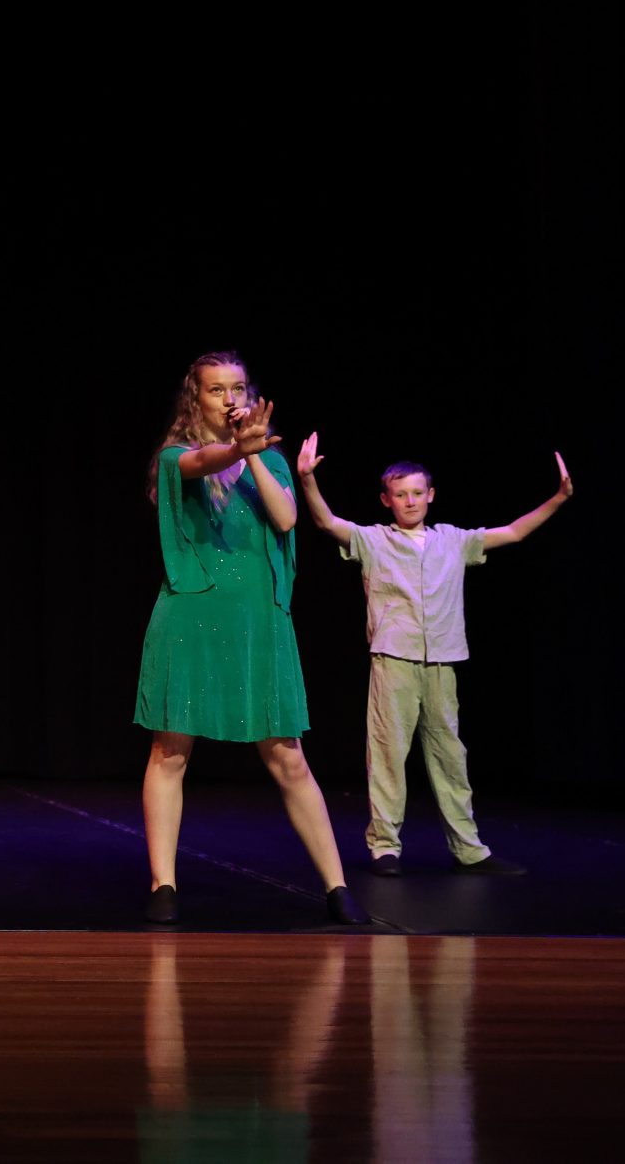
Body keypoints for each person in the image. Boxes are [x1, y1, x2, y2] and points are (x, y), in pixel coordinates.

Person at [136, 352, 366, 925]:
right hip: (192, 615)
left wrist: (257, 455)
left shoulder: (272, 460)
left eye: (237, 388)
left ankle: (337, 887)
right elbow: (199, 464)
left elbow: (286, 520)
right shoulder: (176, 456)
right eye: (216, 390)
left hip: (259, 620)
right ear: (198, 398)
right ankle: (163, 885)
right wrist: (238, 449)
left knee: (288, 756)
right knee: (171, 749)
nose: (229, 398)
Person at [296, 437, 573, 876]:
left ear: (431, 496)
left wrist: (558, 499)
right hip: (394, 659)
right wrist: (308, 478)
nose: (410, 501)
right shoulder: (375, 540)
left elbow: (514, 531)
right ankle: (385, 846)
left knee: (450, 756)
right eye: (401, 494)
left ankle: (469, 848)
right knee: (388, 754)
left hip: (442, 661)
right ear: (387, 500)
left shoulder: (453, 541)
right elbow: (326, 522)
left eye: (417, 493)